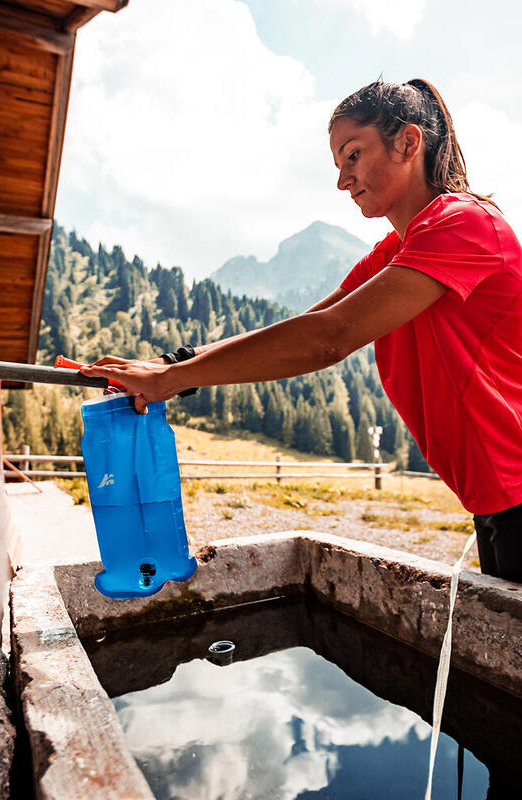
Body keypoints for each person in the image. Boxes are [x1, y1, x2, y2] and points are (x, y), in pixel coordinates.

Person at [81, 79, 522, 583]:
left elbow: (328, 338)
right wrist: (174, 367)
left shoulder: (466, 225)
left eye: (353, 155)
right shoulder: (395, 250)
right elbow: (309, 323)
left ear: (408, 142)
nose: (343, 180)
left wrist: (168, 381)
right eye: (338, 165)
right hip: (497, 496)